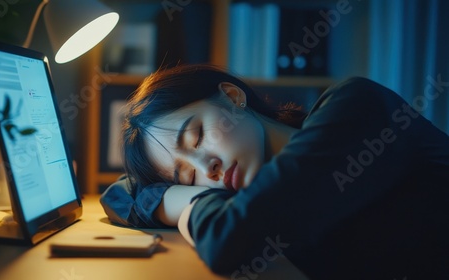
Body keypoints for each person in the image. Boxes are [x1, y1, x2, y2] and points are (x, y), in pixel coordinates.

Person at [100, 64, 449, 279]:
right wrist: (169, 195)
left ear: (232, 97)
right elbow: (119, 193)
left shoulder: (355, 107)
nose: (209, 168)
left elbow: (227, 243)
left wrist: (183, 202)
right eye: (188, 178)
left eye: (198, 136)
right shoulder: (262, 198)